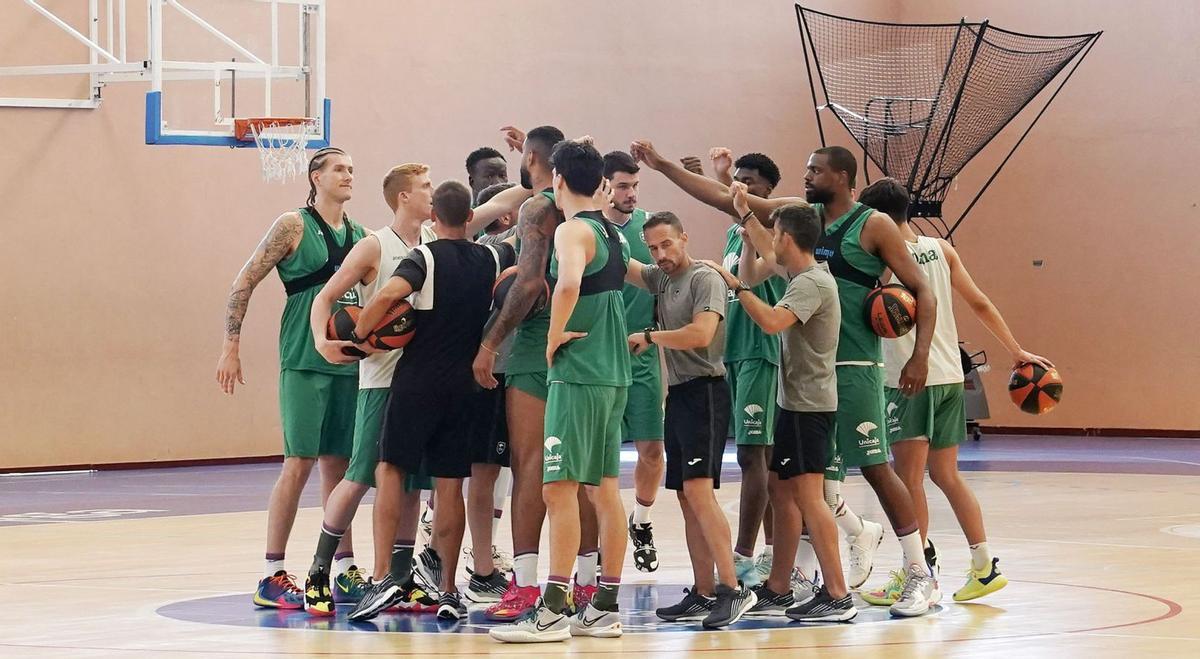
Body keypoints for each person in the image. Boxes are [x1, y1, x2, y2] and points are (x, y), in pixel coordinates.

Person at [631, 139, 941, 617]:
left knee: (877, 469)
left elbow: (921, 290)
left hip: (853, 365)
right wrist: (663, 165)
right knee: (790, 479)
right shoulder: (798, 215)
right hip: (801, 371)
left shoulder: (872, 224)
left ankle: (920, 572)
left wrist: (918, 356)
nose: (807, 175)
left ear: (842, 177)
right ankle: (785, 581)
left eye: (816, 169)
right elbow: (725, 200)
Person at [859, 177, 1052, 603]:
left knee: (908, 480)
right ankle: (983, 566)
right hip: (950, 377)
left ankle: (916, 574)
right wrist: (1017, 350)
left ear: (876, 220)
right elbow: (980, 302)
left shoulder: (884, 256)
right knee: (946, 475)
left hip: (909, 379)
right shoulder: (942, 249)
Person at [347, 180, 518, 621]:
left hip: (418, 383)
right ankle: (447, 590)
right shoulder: (491, 257)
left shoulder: (422, 256)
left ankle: (384, 577)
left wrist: (361, 334)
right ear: (468, 219)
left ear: (433, 219)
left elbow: (388, 295)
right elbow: (516, 268)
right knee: (449, 487)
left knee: (389, 471)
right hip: (465, 387)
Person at [490, 140, 630, 643]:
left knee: (558, 488)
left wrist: (553, 333)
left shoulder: (572, 229)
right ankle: (604, 607)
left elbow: (566, 284)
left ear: (558, 180)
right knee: (605, 491)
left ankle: (552, 609)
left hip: (579, 373)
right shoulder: (616, 234)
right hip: (614, 375)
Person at [216, 147, 365, 610]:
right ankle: (272, 573)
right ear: (315, 176)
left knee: (339, 466)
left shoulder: (360, 234)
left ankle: (342, 568)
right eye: (340, 168)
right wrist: (231, 345)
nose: (348, 175)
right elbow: (244, 281)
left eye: (352, 169)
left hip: (346, 360)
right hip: (303, 358)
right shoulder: (292, 225)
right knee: (298, 463)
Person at [704, 198, 857, 622]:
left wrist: (734, 287)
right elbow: (754, 267)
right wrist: (746, 218)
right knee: (782, 491)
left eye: (775, 235)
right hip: (793, 403)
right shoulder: (798, 272)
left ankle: (838, 595)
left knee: (810, 498)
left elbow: (771, 321)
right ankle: (778, 587)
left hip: (810, 407)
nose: (771, 242)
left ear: (787, 238)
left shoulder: (811, 284)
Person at [472, 126, 603, 622]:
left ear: (531, 159)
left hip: (538, 348)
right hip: (592, 346)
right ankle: (589, 586)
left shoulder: (536, 210)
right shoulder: (605, 214)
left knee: (531, 466)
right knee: (586, 474)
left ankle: (527, 586)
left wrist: (488, 344)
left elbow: (527, 284)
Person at [302, 163, 438, 616]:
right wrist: (323, 342)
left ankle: (401, 577)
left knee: (413, 480)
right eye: (424, 187)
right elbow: (325, 298)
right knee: (360, 476)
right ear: (403, 196)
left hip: (421, 382)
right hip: (380, 380)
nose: (431, 193)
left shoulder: (434, 244)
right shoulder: (374, 245)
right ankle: (320, 570)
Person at [625, 212, 758, 629]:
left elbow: (701, 334)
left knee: (700, 492)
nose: (661, 254)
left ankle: (733, 590)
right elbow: (617, 258)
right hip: (680, 394)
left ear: (685, 237)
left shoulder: (706, 278)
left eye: (667, 244)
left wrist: (650, 337)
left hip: (706, 393)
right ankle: (702, 591)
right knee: (685, 496)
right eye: (653, 248)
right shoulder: (660, 277)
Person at [600, 151, 664, 573]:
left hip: (643, 352)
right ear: (603, 185)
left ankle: (640, 521)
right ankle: (603, 538)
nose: (631, 194)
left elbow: (669, 278)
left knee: (653, 450)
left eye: (635, 186)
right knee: (600, 460)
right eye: (623, 185)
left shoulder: (650, 228)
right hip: (599, 355)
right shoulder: (588, 229)